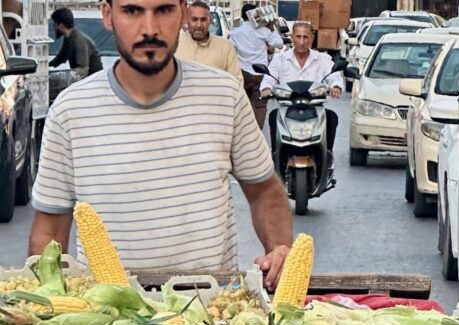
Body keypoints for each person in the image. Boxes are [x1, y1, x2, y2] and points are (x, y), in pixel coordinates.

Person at [28, 0, 294, 288]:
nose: (150, 29)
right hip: (106, 319)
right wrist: (48, 301)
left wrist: (279, 249)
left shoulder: (225, 95)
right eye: (132, 11)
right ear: (108, 15)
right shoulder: (70, 111)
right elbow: (50, 230)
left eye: (164, 10)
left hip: (212, 313)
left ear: (182, 13)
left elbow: (264, 192)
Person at [261, 22, 343, 150]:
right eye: (298, 37)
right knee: (273, 116)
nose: (302, 41)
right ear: (292, 37)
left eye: (305, 37)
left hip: (315, 110)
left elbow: (334, 76)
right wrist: (266, 89)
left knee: (331, 117)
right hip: (287, 110)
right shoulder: (280, 59)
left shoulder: (323, 59)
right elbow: (269, 78)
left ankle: (327, 156)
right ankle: (275, 156)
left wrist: (336, 87)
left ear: (312, 38)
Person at [228, 2, 281, 128]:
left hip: (242, 73)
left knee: (242, 106)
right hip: (260, 74)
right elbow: (279, 44)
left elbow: (230, 51)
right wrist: (271, 28)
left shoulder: (235, 33)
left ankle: (244, 133)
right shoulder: (264, 31)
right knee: (260, 105)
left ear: (242, 16)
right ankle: (257, 134)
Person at [175, 1, 241, 80]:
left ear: (210, 21)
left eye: (203, 20)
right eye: (194, 19)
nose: (199, 25)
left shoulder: (225, 47)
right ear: (187, 21)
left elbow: (237, 81)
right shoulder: (175, 45)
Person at [50, 7, 103, 78]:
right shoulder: (68, 38)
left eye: (55, 24)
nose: (54, 27)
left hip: (94, 81)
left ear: (61, 26)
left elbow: (83, 69)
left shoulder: (78, 40)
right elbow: (60, 58)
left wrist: (65, 76)